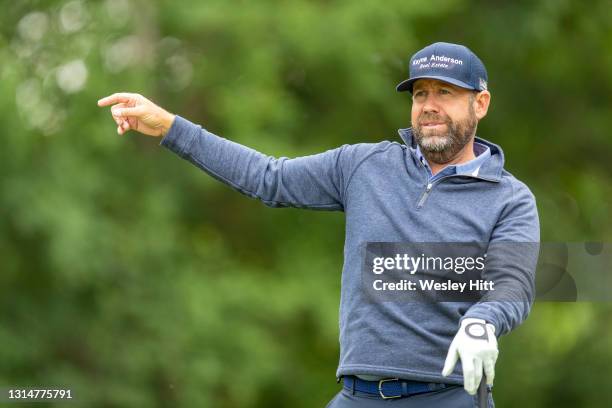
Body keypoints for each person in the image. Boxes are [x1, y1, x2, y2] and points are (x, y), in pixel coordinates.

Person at [98, 42, 540, 407]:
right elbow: (267, 177)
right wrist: (171, 127)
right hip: (356, 396)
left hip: (448, 398)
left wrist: (482, 320)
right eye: (420, 94)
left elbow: (512, 284)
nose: (428, 106)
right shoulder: (364, 165)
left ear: (480, 103)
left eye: (445, 93)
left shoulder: (510, 198)